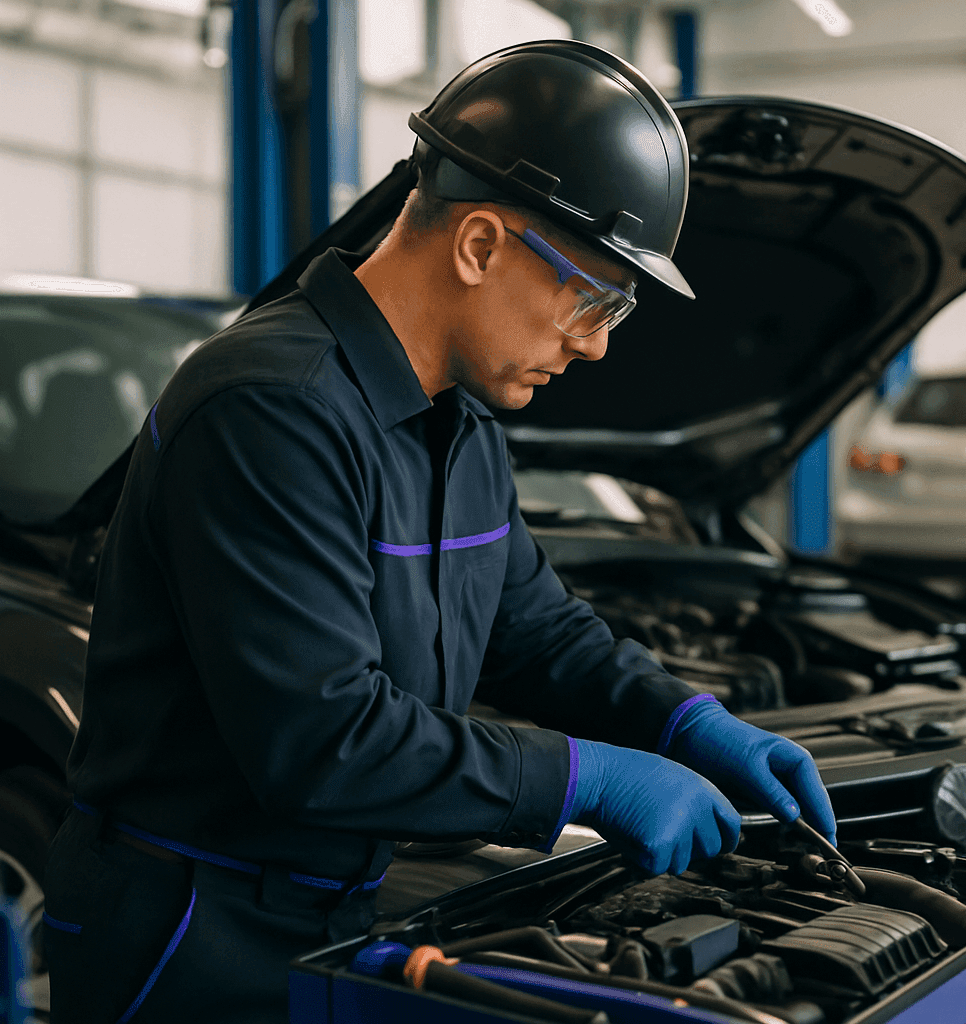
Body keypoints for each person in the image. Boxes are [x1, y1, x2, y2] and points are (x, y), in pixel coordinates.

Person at [42, 40, 836, 1024]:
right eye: (591, 297)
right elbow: (323, 741)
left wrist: (683, 719)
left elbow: (536, 629)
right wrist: (586, 778)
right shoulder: (270, 409)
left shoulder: (457, 425)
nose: (592, 342)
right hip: (184, 928)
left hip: (338, 906)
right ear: (480, 247)